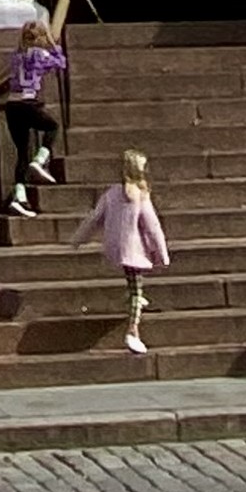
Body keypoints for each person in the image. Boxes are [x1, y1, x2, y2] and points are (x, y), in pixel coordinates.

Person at [71, 143, 170, 355]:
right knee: (137, 288)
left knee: (132, 279)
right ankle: (133, 330)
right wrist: (162, 254)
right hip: (133, 249)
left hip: (116, 246)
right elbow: (153, 226)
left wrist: (79, 239)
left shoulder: (112, 193)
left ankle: (135, 300)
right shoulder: (141, 195)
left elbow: (94, 218)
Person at [0, 19, 68, 213]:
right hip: (26, 102)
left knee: (22, 151)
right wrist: (53, 43)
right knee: (52, 126)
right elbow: (60, 63)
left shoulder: (16, 56)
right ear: (40, 37)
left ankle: (19, 197)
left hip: (11, 106)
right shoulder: (39, 54)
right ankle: (40, 160)